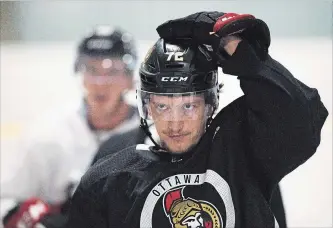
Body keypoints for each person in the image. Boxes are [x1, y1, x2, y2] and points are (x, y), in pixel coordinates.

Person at [66, 12, 328, 228]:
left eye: (188, 105)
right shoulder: (108, 176)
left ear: (210, 104)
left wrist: (244, 57)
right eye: (162, 106)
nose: (175, 122)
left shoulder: (245, 149)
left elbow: (303, 120)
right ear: (147, 105)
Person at [1, 25, 139, 228]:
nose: (100, 82)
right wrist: (24, 217)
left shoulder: (154, 134)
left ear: (129, 79)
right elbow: (6, 199)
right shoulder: (47, 133)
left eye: (112, 71)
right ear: (80, 75)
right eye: (92, 69)